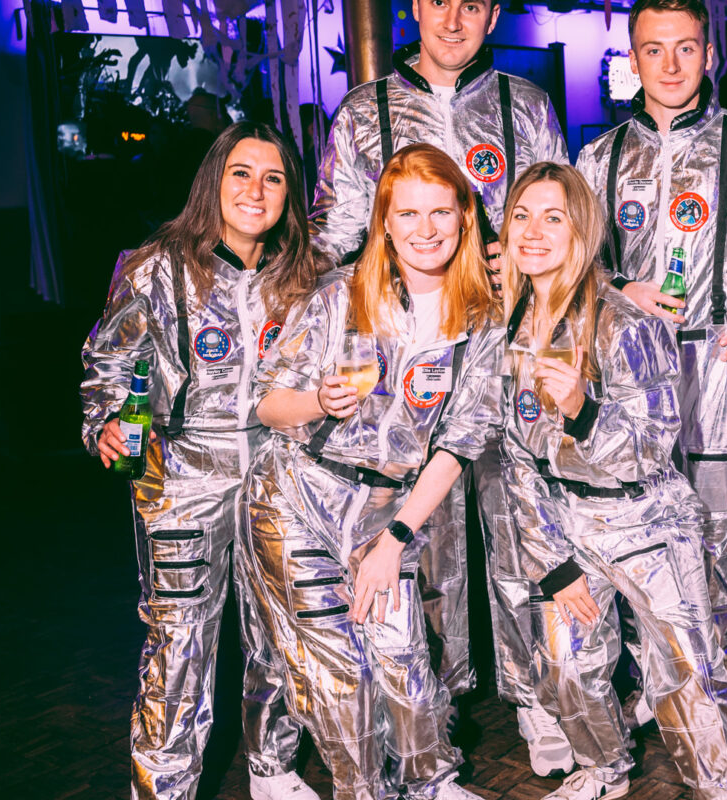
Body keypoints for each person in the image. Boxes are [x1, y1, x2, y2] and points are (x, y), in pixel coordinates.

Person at [309, 0, 574, 773]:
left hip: (514, 343)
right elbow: (333, 237)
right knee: (427, 541)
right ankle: (439, 703)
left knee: (524, 524)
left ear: (491, 12)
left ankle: (538, 698)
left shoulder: (525, 106)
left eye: (471, 1)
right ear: (414, 7)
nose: (453, 16)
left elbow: (566, 216)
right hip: (412, 360)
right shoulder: (366, 113)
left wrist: (527, 266)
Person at [247, 143, 504, 800]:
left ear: (464, 217)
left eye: (440, 212)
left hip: (388, 508)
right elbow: (269, 402)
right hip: (297, 499)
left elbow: (460, 443)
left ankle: (432, 783)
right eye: (408, 213)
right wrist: (318, 402)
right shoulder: (339, 297)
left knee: (405, 658)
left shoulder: (480, 318)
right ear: (384, 222)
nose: (425, 230)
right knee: (344, 683)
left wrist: (392, 540)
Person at [80, 120, 325, 800]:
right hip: (183, 474)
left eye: (273, 177)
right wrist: (105, 421)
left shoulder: (304, 274)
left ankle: (273, 770)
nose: (256, 189)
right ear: (213, 181)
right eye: (241, 173)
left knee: (280, 633)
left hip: (280, 472)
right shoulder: (158, 265)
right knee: (181, 648)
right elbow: (111, 360)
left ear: (289, 194)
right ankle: (163, 789)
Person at [499, 162, 727, 800]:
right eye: (522, 215)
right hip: (566, 526)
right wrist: (553, 561)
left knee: (685, 674)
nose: (534, 231)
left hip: (647, 524)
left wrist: (586, 411)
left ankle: (723, 787)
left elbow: (653, 445)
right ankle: (604, 767)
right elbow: (517, 456)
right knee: (564, 667)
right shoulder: (507, 328)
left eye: (553, 217)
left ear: (581, 231)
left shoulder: (626, 324)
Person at [575, 0, 727, 712]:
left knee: (723, 533)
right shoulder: (597, 158)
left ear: (709, 54)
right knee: (643, 529)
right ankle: (660, 680)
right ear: (634, 59)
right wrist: (619, 286)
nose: (670, 65)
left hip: (721, 363)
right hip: (632, 373)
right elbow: (571, 269)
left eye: (685, 48)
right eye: (653, 50)